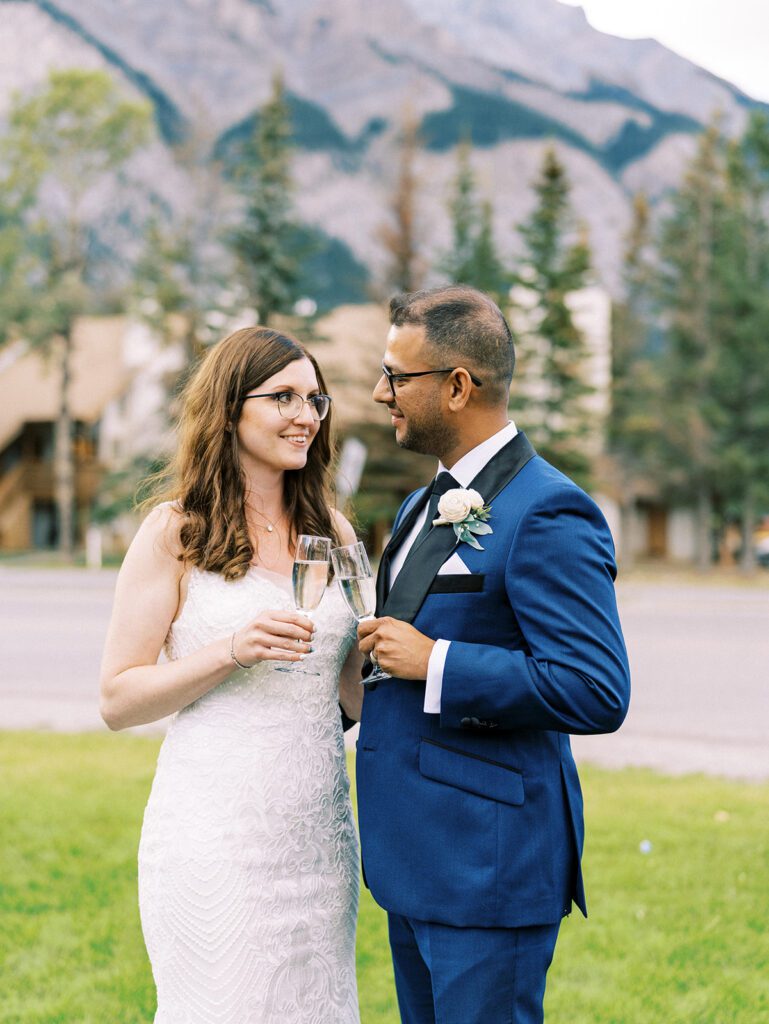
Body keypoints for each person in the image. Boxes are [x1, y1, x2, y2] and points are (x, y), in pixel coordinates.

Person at [354, 285, 631, 1024]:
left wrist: (436, 662)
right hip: (415, 858)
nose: (380, 393)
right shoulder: (421, 505)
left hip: (488, 863)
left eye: (396, 376)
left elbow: (594, 688)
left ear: (456, 386)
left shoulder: (550, 509)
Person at [100, 326, 364, 1024]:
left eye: (315, 399)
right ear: (228, 407)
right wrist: (231, 651)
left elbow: (352, 695)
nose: (305, 416)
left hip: (320, 840)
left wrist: (381, 653)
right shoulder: (175, 532)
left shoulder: (334, 532)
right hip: (214, 836)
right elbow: (118, 698)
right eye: (283, 397)